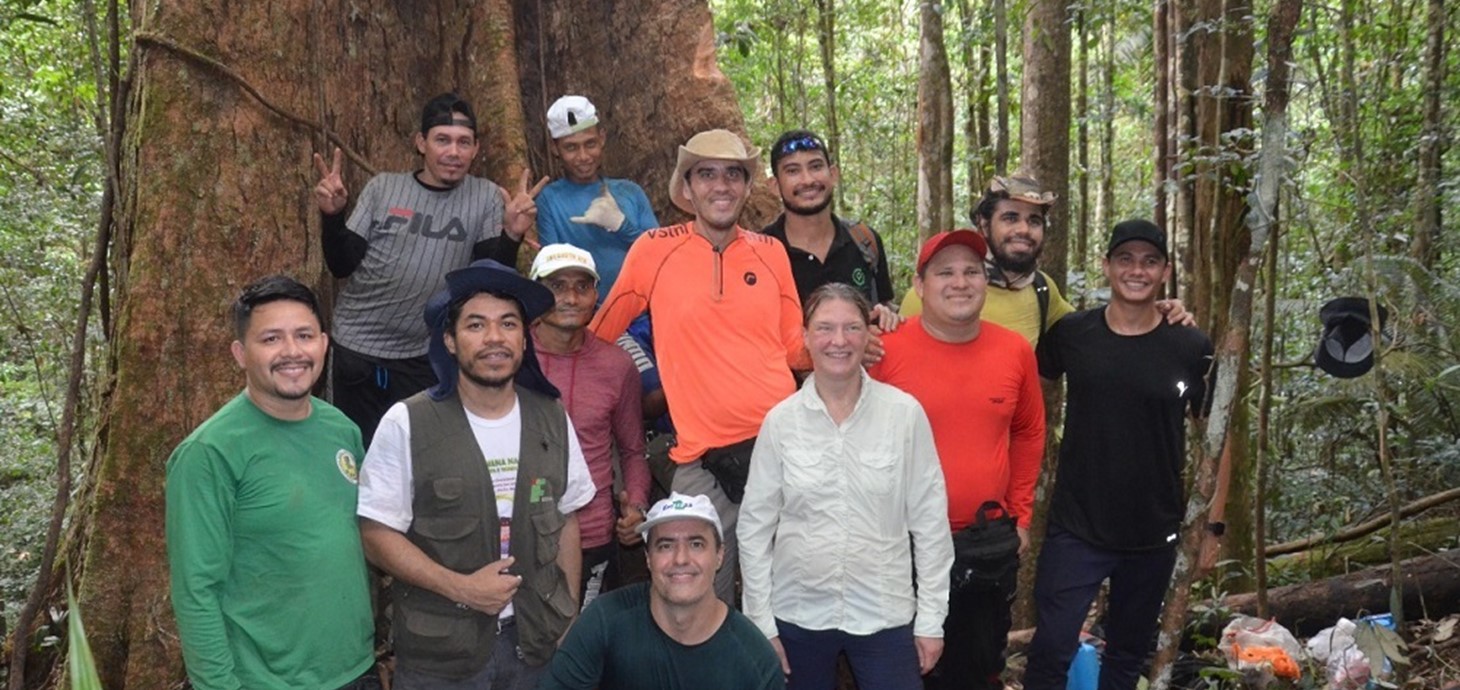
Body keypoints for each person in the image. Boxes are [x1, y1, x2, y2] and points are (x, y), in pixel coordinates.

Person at [589, 128, 808, 605]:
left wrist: (848, 338)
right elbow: (602, 331)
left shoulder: (770, 253)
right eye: (706, 174)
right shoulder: (655, 248)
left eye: (734, 174)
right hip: (699, 462)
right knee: (701, 596)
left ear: (747, 188)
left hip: (783, 448)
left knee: (786, 592)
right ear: (687, 189)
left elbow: (795, 347)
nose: (721, 185)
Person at [356, 259, 595, 689]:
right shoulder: (407, 422)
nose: (494, 339)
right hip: (442, 655)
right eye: (476, 326)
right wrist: (462, 588)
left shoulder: (551, 417)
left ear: (525, 338)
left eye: (508, 324)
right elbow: (375, 535)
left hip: (534, 646)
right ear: (449, 340)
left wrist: (568, 613)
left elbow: (566, 520)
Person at [1023, 219, 1213, 690]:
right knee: (1050, 648)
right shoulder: (1074, 334)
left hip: (1153, 530)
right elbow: (1026, 386)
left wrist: (1214, 524)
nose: (1137, 271)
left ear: (1165, 272)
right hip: (1077, 526)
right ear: (1107, 266)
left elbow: (1215, 435)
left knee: (1128, 656)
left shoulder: (1189, 345)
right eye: (1125, 259)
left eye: (1149, 262)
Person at [739, 283, 954, 688]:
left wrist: (931, 620)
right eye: (824, 328)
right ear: (804, 336)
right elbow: (754, 528)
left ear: (867, 335)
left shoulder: (903, 415)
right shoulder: (781, 422)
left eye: (852, 328)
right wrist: (761, 622)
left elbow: (930, 525)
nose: (838, 341)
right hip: (797, 614)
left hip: (884, 615)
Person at [166, 275, 375, 690]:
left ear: (324, 344)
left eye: (304, 335)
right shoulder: (209, 452)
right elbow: (196, 590)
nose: (292, 352)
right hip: (264, 679)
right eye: (271, 339)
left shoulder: (343, 430)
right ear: (241, 354)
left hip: (354, 669)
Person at [313, 92, 547, 443]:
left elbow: (488, 278)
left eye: (463, 142)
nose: (453, 152)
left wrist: (512, 233)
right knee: (351, 448)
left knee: (418, 452)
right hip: (356, 348)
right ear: (421, 143)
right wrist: (333, 217)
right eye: (442, 140)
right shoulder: (383, 188)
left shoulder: (483, 196)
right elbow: (341, 264)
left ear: (476, 148)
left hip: (423, 353)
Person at [869, 230, 1045, 690]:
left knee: (976, 669)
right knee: (902, 671)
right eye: (945, 272)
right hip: (899, 545)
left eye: (971, 271)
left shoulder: (1014, 351)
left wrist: (1021, 514)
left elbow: (1028, 431)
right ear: (919, 285)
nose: (960, 282)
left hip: (983, 544)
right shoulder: (884, 351)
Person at [900, 174, 1190, 346]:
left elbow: (1098, 331)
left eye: (1034, 221)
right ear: (984, 225)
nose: (1023, 230)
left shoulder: (1041, 290)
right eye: (1010, 218)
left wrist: (1156, 311)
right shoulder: (939, 290)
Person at [538, 493, 786, 690]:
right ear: (648, 559)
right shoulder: (605, 620)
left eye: (696, 544)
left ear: (720, 555)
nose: (680, 558)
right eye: (665, 545)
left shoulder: (755, 660)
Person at [528, 243, 649, 604]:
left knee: (582, 643)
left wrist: (637, 506)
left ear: (596, 296)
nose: (570, 297)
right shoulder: (510, 356)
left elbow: (633, 449)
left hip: (593, 531)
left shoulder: (616, 365)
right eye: (556, 286)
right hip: (521, 529)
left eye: (582, 287)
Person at [760, 130, 898, 331]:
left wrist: (885, 319)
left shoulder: (864, 241)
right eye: (792, 171)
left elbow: (884, 305)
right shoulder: (761, 252)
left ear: (833, 174)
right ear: (774, 185)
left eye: (815, 167)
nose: (807, 180)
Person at [535, 95, 659, 301]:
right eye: (571, 147)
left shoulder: (630, 192)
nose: (583, 156)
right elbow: (553, 268)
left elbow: (659, 254)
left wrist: (621, 225)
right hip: (586, 317)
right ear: (555, 149)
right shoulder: (549, 199)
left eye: (590, 143)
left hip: (641, 311)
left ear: (602, 138)